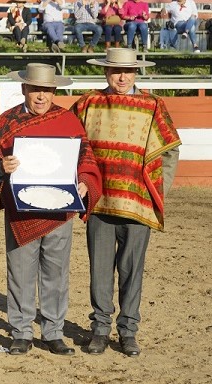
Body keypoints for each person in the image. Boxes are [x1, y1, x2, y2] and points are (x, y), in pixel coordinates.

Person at [72, 48, 182, 357]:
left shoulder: (153, 106)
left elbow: (169, 152)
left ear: (136, 73)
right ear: (105, 72)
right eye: (116, 71)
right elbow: (68, 143)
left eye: (128, 71)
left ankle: (128, 331)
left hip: (138, 205)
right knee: (100, 271)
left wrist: (160, 191)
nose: (122, 77)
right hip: (101, 203)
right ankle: (100, 329)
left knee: (133, 270)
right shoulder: (87, 104)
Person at [0, 63, 102, 356]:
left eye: (47, 90)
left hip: (58, 213)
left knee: (56, 273)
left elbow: (86, 159)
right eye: (35, 89)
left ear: (54, 91)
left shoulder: (69, 121)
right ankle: (21, 332)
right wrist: (2, 167)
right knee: (20, 274)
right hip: (21, 212)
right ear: (24, 88)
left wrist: (85, 183)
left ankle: (53, 332)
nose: (41, 96)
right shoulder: (5, 123)